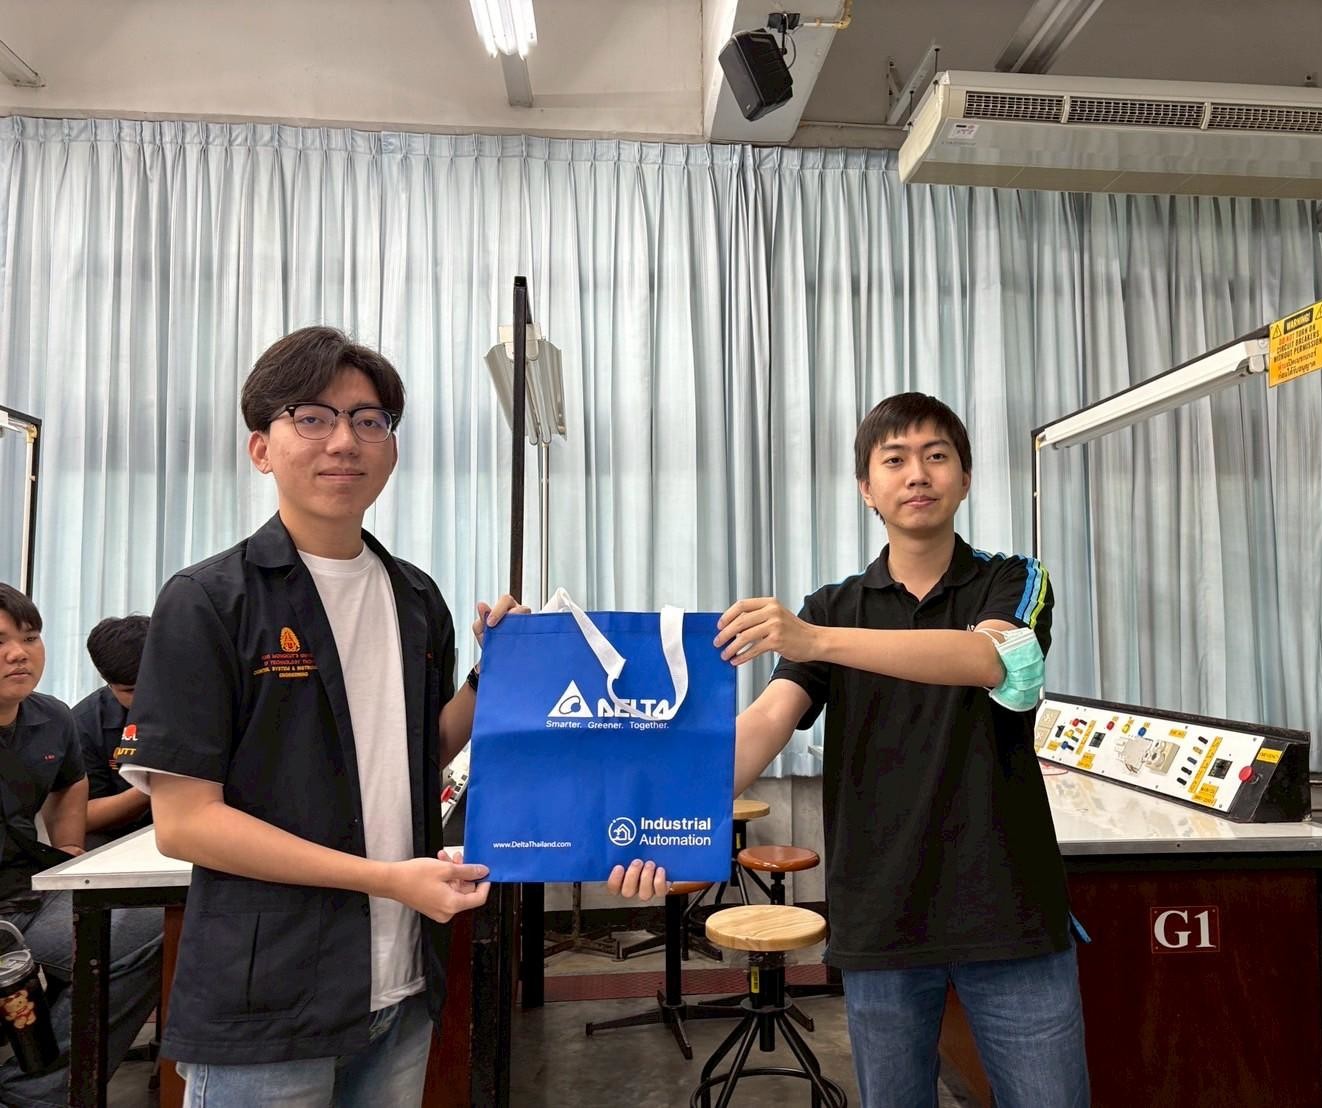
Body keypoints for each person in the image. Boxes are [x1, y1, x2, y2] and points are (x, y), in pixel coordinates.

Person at [611, 393, 1090, 1108]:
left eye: (936, 456)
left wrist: (814, 640)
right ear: (867, 488)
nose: (917, 474)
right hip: (881, 914)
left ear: (964, 478)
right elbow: (767, 721)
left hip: (1008, 909)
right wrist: (652, 818)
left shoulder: (1013, 578)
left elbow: (991, 659)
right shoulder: (834, 605)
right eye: (894, 460)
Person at [119, 326, 522, 1106]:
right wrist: (386, 880)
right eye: (312, 417)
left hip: (401, 986)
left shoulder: (416, 597)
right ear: (261, 449)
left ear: (391, 450)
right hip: (267, 1001)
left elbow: (417, 755)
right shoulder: (209, 601)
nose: (344, 441)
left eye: (369, 420)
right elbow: (186, 824)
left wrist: (492, 677)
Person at [0, 584, 162, 1108]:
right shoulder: (90, 717)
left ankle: (36, 1091)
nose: (19, 653)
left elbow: (71, 783)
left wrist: (70, 848)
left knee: (161, 920)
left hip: (30, 893)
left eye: (30, 637)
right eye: (0, 642)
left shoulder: (52, 718)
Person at [72, 616, 152, 848]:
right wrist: (152, 785)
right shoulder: (85, 723)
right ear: (108, 683)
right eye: (131, 691)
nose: (147, 698)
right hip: (122, 838)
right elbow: (80, 817)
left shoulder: (204, 702)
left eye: (152, 684)